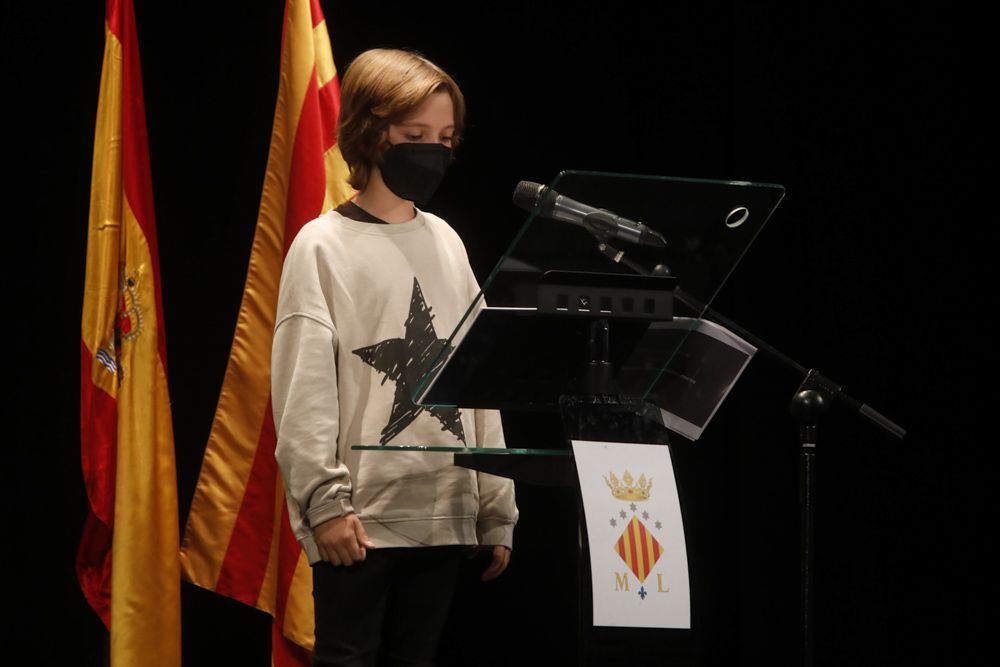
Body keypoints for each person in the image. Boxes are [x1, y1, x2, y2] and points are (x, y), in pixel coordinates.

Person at [271, 48, 518, 667]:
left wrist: (495, 508)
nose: (432, 151)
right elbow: (302, 393)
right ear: (370, 130)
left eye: (445, 138)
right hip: (360, 525)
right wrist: (324, 503)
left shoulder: (446, 241)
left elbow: (480, 378)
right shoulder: (322, 245)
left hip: (445, 515)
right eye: (415, 136)